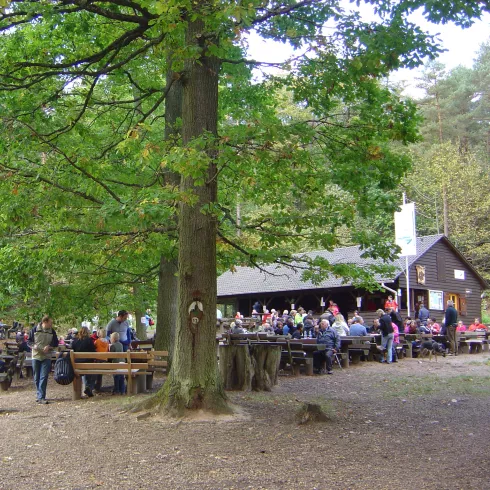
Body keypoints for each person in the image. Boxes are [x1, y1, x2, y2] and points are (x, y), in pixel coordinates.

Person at [27, 316, 59, 404]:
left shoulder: (52, 331)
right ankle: (39, 395)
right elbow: (29, 341)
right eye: (50, 323)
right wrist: (34, 346)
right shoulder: (34, 330)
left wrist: (49, 346)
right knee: (37, 377)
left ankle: (41, 397)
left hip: (46, 356)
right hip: (36, 356)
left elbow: (56, 342)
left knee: (44, 376)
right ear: (45, 322)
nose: (51, 324)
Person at [72, 326, 96, 397]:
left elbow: (72, 350)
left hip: (77, 364)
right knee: (94, 372)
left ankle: (87, 388)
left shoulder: (75, 341)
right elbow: (93, 352)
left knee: (86, 371)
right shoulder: (89, 340)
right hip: (87, 363)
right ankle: (89, 387)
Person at [94, 328, 110, 392]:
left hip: (98, 359)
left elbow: (94, 348)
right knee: (99, 374)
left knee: (97, 373)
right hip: (104, 359)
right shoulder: (107, 342)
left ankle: (96, 386)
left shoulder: (97, 341)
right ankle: (98, 386)